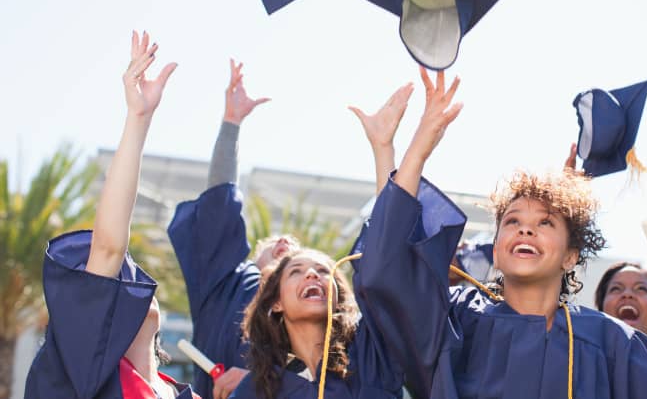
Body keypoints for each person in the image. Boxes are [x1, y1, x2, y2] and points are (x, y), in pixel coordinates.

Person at [353, 67, 647, 399]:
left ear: (572, 255)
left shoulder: (610, 341)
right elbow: (388, 274)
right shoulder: (461, 319)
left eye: (545, 224)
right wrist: (414, 150)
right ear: (496, 251)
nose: (526, 230)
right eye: (513, 222)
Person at [23, 31, 196, 398]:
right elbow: (108, 248)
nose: (124, 281)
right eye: (116, 283)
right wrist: (139, 119)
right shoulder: (80, 365)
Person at [167, 59, 295, 399]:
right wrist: (231, 124)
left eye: (295, 255)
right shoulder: (227, 282)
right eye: (276, 244)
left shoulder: (309, 309)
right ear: (252, 257)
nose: (286, 242)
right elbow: (220, 202)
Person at [229, 247, 403, 399]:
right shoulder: (257, 389)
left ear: (337, 296)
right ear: (277, 303)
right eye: (295, 271)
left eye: (323, 271)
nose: (312, 274)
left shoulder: (371, 351)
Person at [595, 262, 647, 342]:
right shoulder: (580, 353)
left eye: (641, 288)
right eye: (616, 288)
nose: (627, 294)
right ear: (601, 310)